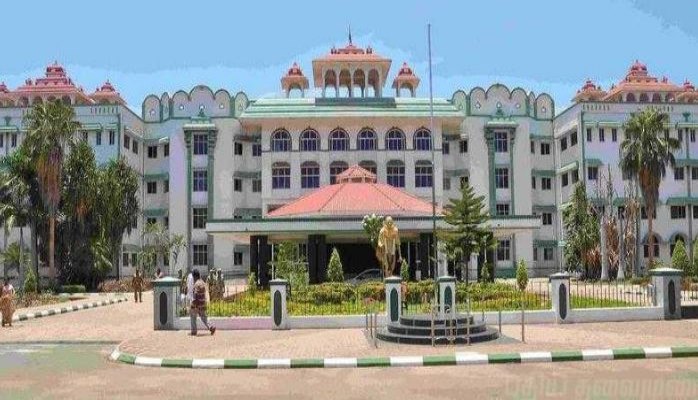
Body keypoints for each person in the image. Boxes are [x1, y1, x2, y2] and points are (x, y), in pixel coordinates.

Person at [190, 269, 215, 336]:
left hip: (197, 303)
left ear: (194, 276)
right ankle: (211, 327)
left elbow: (195, 294)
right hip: (203, 303)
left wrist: (194, 304)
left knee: (193, 316)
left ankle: (194, 331)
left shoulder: (196, 284)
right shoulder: (203, 282)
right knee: (204, 317)